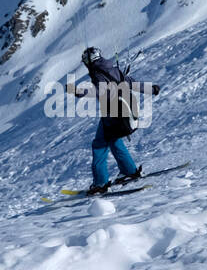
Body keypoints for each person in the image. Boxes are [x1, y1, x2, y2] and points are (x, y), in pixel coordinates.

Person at [66, 47, 160, 195]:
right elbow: (131, 83)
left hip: (113, 115)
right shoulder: (113, 69)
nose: (85, 63)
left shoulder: (97, 73)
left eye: (85, 61)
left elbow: (99, 90)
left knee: (99, 145)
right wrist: (150, 89)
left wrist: (78, 91)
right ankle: (129, 171)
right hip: (124, 112)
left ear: (91, 60)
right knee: (114, 141)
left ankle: (100, 184)